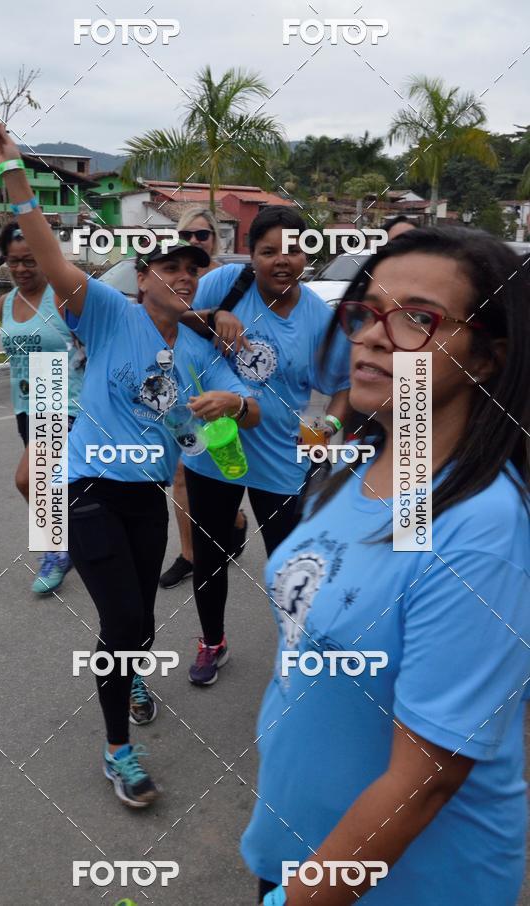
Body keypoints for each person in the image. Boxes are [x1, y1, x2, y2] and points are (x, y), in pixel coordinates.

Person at [241, 226, 530, 905]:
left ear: (487, 359)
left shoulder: (482, 530)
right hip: (297, 848)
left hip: (405, 882)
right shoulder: (354, 466)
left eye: (418, 319)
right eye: (367, 312)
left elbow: (424, 781)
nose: (373, 335)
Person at [0, 115, 260, 808]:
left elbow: (247, 413)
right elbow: (47, 254)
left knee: (131, 623)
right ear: (143, 277)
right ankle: (117, 752)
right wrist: (14, 171)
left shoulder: (203, 347)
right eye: (169, 267)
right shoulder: (107, 312)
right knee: (128, 623)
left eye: (193, 269)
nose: (182, 277)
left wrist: (232, 404)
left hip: (145, 500)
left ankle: (129, 669)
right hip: (86, 488)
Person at [179, 206, 352, 686]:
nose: (282, 260)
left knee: (288, 565)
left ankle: (297, 650)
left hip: (281, 460)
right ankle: (212, 642)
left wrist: (330, 423)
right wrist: (216, 313)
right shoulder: (226, 283)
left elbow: (342, 384)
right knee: (209, 556)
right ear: (251, 255)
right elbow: (172, 315)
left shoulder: (318, 317)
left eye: (293, 249)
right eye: (268, 250)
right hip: (216, 449)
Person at [159, 205, 248, 589]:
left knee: (223, 467)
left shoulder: (226, 276)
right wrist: (213, 315)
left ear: (215, 239)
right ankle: (190, 553)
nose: (195, 242)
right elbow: (165, 314)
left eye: (202, 236)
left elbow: (256, 276)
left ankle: (235, 521)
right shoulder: (177, 277)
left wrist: (222, 311)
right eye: (188, 236)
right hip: (181, 380)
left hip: (226, 380)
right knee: (182, 471)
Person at [0, 221, 85, 594]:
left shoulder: (62, 297)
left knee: (27, 479)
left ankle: (58, 550)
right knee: (53, 484)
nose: (20, 269)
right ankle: (80, 540)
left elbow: (90, 344)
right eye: (13, 262)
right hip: (26, 400)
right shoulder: (5, 303)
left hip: (62, 395)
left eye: (30, 260)